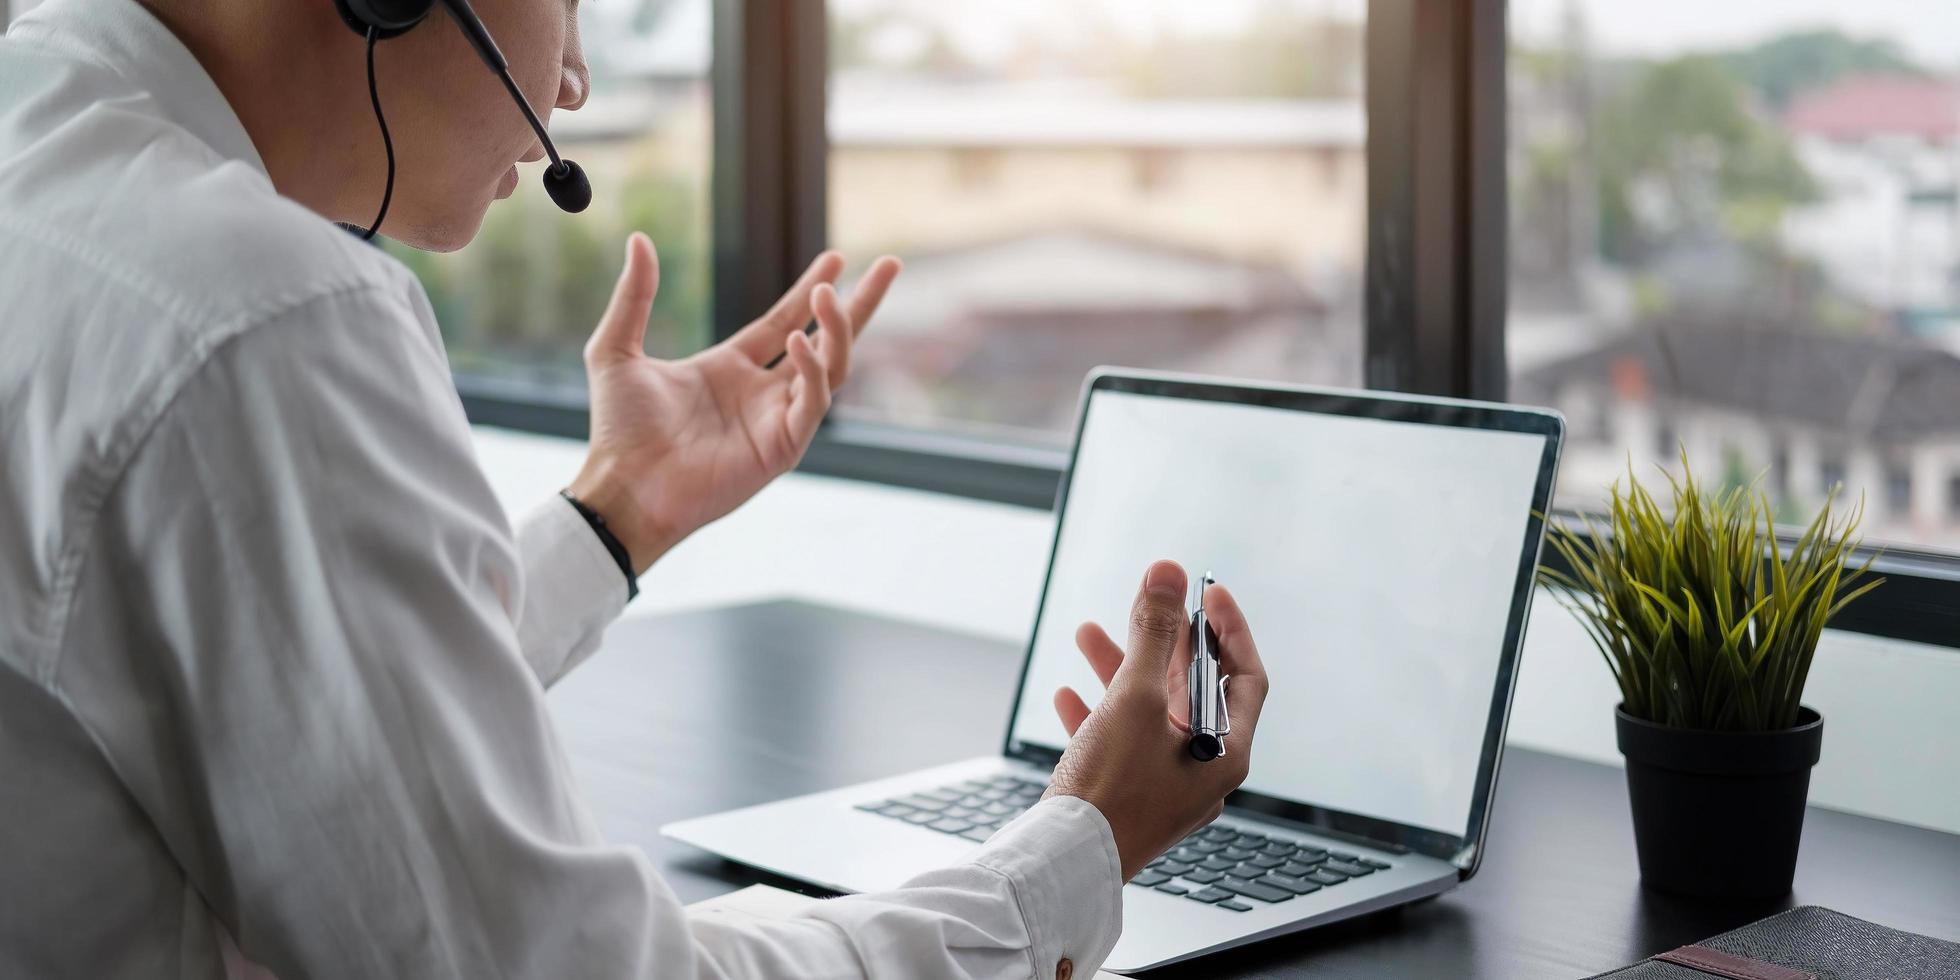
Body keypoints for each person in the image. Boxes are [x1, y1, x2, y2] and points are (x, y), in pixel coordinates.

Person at [0, 1, 1272, 977]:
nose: (571, 80)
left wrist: (616, 511)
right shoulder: (260, 313)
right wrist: (1077, 845)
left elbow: (276, 706)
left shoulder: (45, 145)